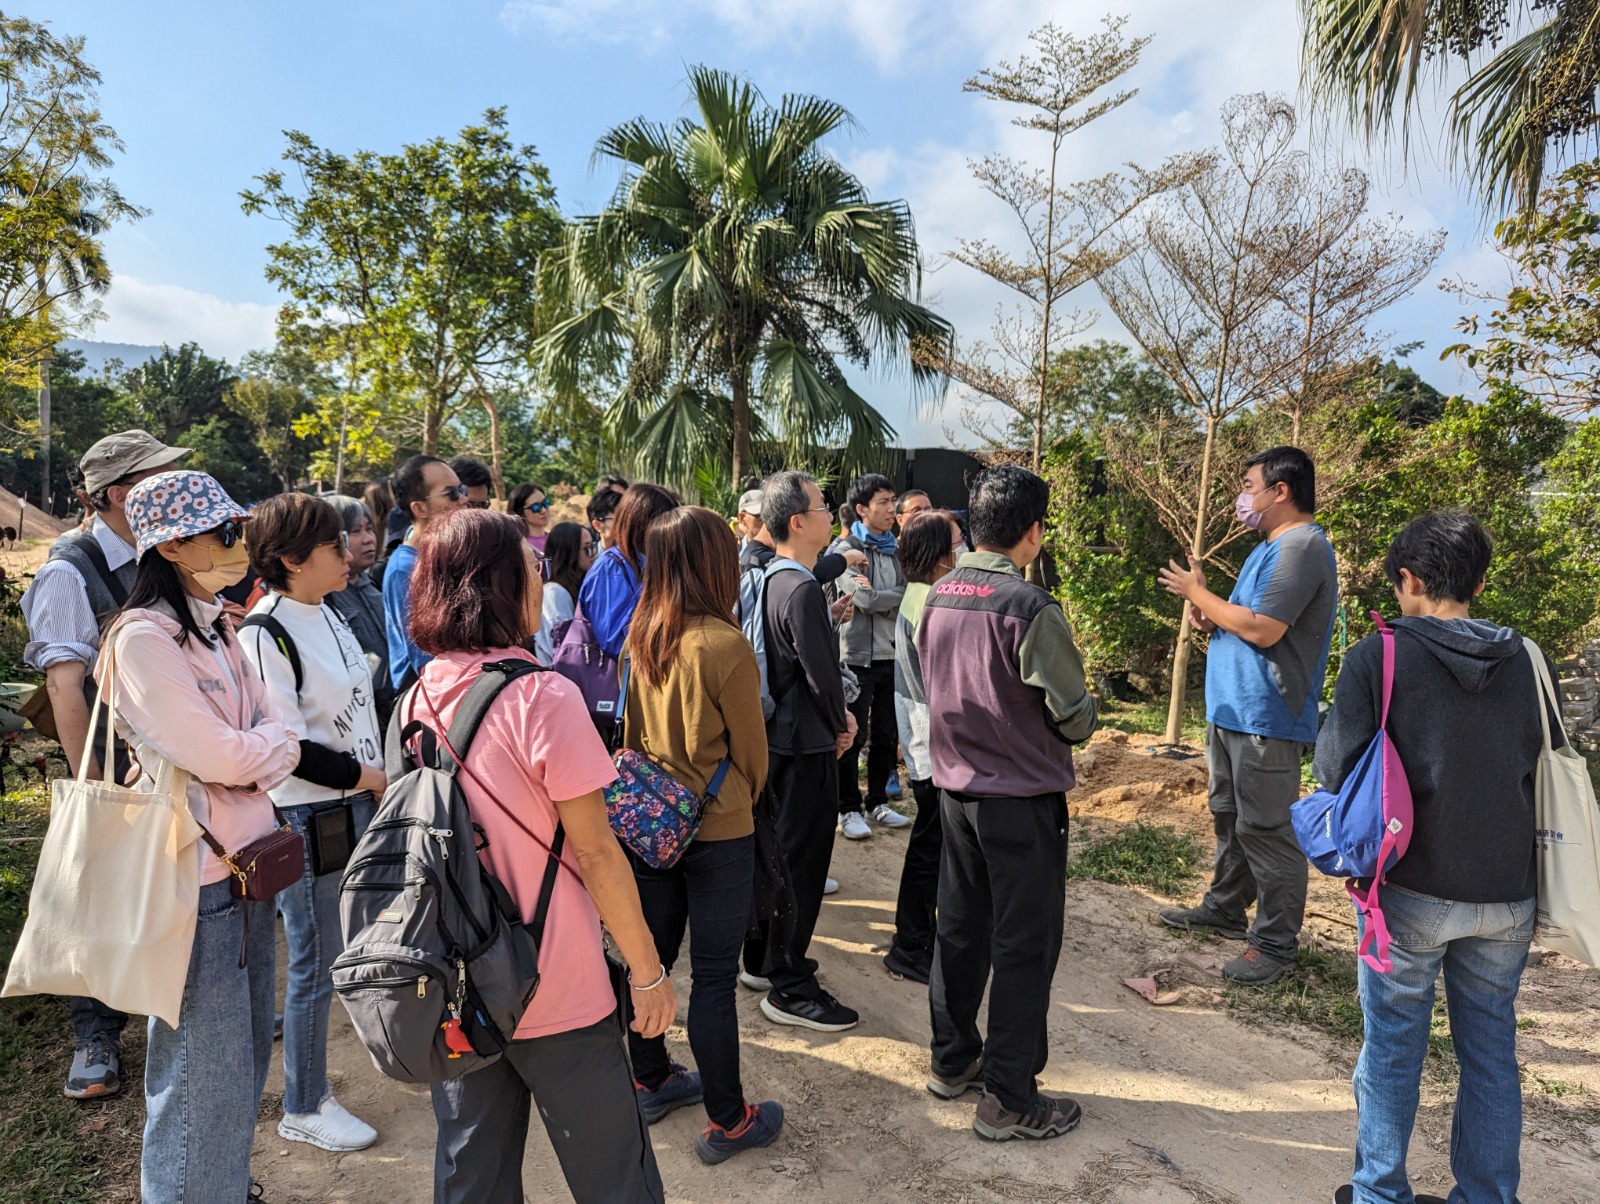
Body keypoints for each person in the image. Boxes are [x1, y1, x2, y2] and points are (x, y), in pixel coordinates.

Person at [404, 507, 671, 1204]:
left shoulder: (418, 696)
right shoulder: (544, 697)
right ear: (499, 584)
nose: (541, 579)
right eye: (531, 567)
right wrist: (647, 972)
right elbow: (598, 854)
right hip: (556, 978)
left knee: (472, 1174)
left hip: (462, 978)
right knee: (615, 1178)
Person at [1314, 511, 1550, 1204]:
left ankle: (1379, 1193)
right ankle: (1487, 1195)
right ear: (1480, 583)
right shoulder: (1527, 661)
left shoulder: (1379, 655)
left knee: (1392, 1049)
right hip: (1508, 892)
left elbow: (1334, 770)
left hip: (1410, 888)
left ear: (1409, 580)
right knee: (1491, 1052)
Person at [102, 470, 301, 1200]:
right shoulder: (142, 640)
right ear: (172, 546)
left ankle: (222, 1185)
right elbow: (224, 754)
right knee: (199, 1075)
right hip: (196, 876)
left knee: (240, 1064)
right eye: (223, 532)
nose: (237, 543)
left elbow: (280, 731)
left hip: (246, 864)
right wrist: (258, 755)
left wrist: (255, 755)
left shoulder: (218, 625)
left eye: (235, 528)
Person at [916, 462, 1097, 1142]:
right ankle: (1010, 1098)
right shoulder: (1029, 606)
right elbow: (1073, 714)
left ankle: (952, 1059)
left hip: (956, 792)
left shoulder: (936, 595)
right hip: (1020, 800)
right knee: (1025, 942)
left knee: (961, 929)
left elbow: (929, 682)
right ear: (1034, 531)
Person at [19, 429, 188, 1100]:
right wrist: (91, 780)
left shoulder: (160, 554)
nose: (172, 486)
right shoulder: (69, 570)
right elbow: (66, 687)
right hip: (109, 756)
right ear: (119, 495)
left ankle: (180, 1000)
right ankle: (96, 1037)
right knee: (99, 891)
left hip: (166, 751)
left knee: (172, 877)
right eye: (156, 477)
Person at [621, 506, 784, 1163]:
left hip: (652, 824)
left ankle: (651, 1079)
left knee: (651, 960)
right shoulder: (724, 643)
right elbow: (754, 756)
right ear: (714, 562)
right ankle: (728, 1121)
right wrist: (736, 795)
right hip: (719, 827)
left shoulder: (643, 635)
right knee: (714, 978)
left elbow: (631, 738)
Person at [1156, 446, 1338, 985]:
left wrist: (1199, 593)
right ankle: (1225, 908)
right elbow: (1243, 618)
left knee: (1267, 829)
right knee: (1231, 818)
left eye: (1248, 486)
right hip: (1233, 710)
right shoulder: (1269, 548)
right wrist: (1209, 615)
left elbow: (1264, 629)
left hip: (1267, 716)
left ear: (1281, 491)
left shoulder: (1302, 547)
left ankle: (1275, 944)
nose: (1242, 498)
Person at [240, 493, 385, 1153]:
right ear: (293, 559)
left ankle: (323, 1083)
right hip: (311, 814)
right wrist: (367, 777)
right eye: (335, 544)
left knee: (342, 947)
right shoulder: (264, 632)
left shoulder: (328, 610)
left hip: (356, 802)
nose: (349, 551)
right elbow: (289, 746)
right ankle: (303, 1102)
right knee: (314, 958)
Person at [742, 471, 861, 1032]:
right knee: (800, 867)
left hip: (780, 739)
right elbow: (820, 674)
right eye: (822, 506)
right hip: (804, 744)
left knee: (778, 857)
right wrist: (843, 721)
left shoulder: (776, 577)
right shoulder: (802, 587)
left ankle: (762, 961)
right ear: (797, 521)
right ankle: (790, 985)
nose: (830, 513)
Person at [883, 508, 965, 984]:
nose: (962, 551)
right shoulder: (931, 601)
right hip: (933, 743)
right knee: (931, 846)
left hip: (925, 738)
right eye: (955, 544)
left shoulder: (921, 594)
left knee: (931, 842)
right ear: (938, 555)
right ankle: (910, 945)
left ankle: (916, 938)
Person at [829, 473, 911, 839]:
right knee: (853, 734)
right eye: (883, 502)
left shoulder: (897, 549)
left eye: (893, 500)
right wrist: (891, 597)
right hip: (857, 657)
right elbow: (862, 599)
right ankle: (848, 808)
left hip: (892, 655)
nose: (891, 508)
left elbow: (907, 591)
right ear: (862, 509)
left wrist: (883, 597)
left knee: (886, 735)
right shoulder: (845, 550)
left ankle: (877, 801)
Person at [382, 454, 468, 693]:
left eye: (462, 489)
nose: (463, 499)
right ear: (419, 508)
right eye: (451, 493)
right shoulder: (404, 570)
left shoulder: (449, 555)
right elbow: (425, 657)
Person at [578, 483, 678, 661]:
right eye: (666, 521)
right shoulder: (610, 568)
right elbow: (616, 641)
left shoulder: (645, 561)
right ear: (643, 524)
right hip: (621, 675)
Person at [321, 493, 396, 729]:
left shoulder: (372, 584)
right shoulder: (325, 598)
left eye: (369, 529)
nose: (368, 539)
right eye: (355, 532)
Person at [535, 521, 594, 665]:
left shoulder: (580, 585)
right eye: (587, 548)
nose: (594, 554)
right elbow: (565, 650)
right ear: (569, 552)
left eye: (593, 546)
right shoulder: (554, 593)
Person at [509, 482, 552, 554]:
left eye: (545, 503)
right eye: (536, 507)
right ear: (521, 513)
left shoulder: (556, 538)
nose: (544, 510)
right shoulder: (518, 545)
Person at [587, 485, 624, 552]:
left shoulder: (640, 555)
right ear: (597, 525)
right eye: (618, 519)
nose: (625, 524)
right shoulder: (590, 557)